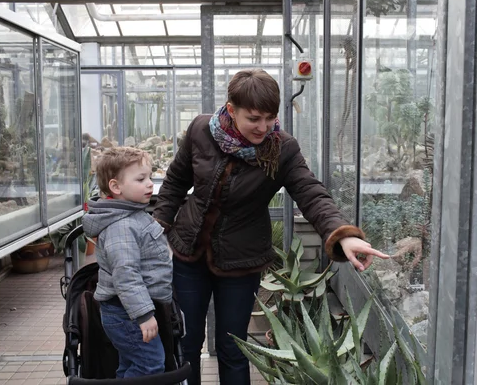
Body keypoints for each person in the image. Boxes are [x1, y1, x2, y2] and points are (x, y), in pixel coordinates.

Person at [153, 69, 388, 385]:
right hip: (188, 253)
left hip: (241, 260)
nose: (264, 127)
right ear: (232, 109)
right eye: (254, 118)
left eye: (270, 117)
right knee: (186, 343)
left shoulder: (282, 148)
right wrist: (158, 230)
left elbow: (310, 192)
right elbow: (175, 181)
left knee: (233, 347)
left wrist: (343, 235)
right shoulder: (200, 130)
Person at [83, 147, 173, 378]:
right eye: (141, 179)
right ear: (116, 187)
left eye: (150, 177)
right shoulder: (121, 227)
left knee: (130, 366)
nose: (150, 183)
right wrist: (143, 316)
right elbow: (126, 275)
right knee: (150, 365)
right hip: (127, 315)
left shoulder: (133, 215)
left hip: (127, 312)